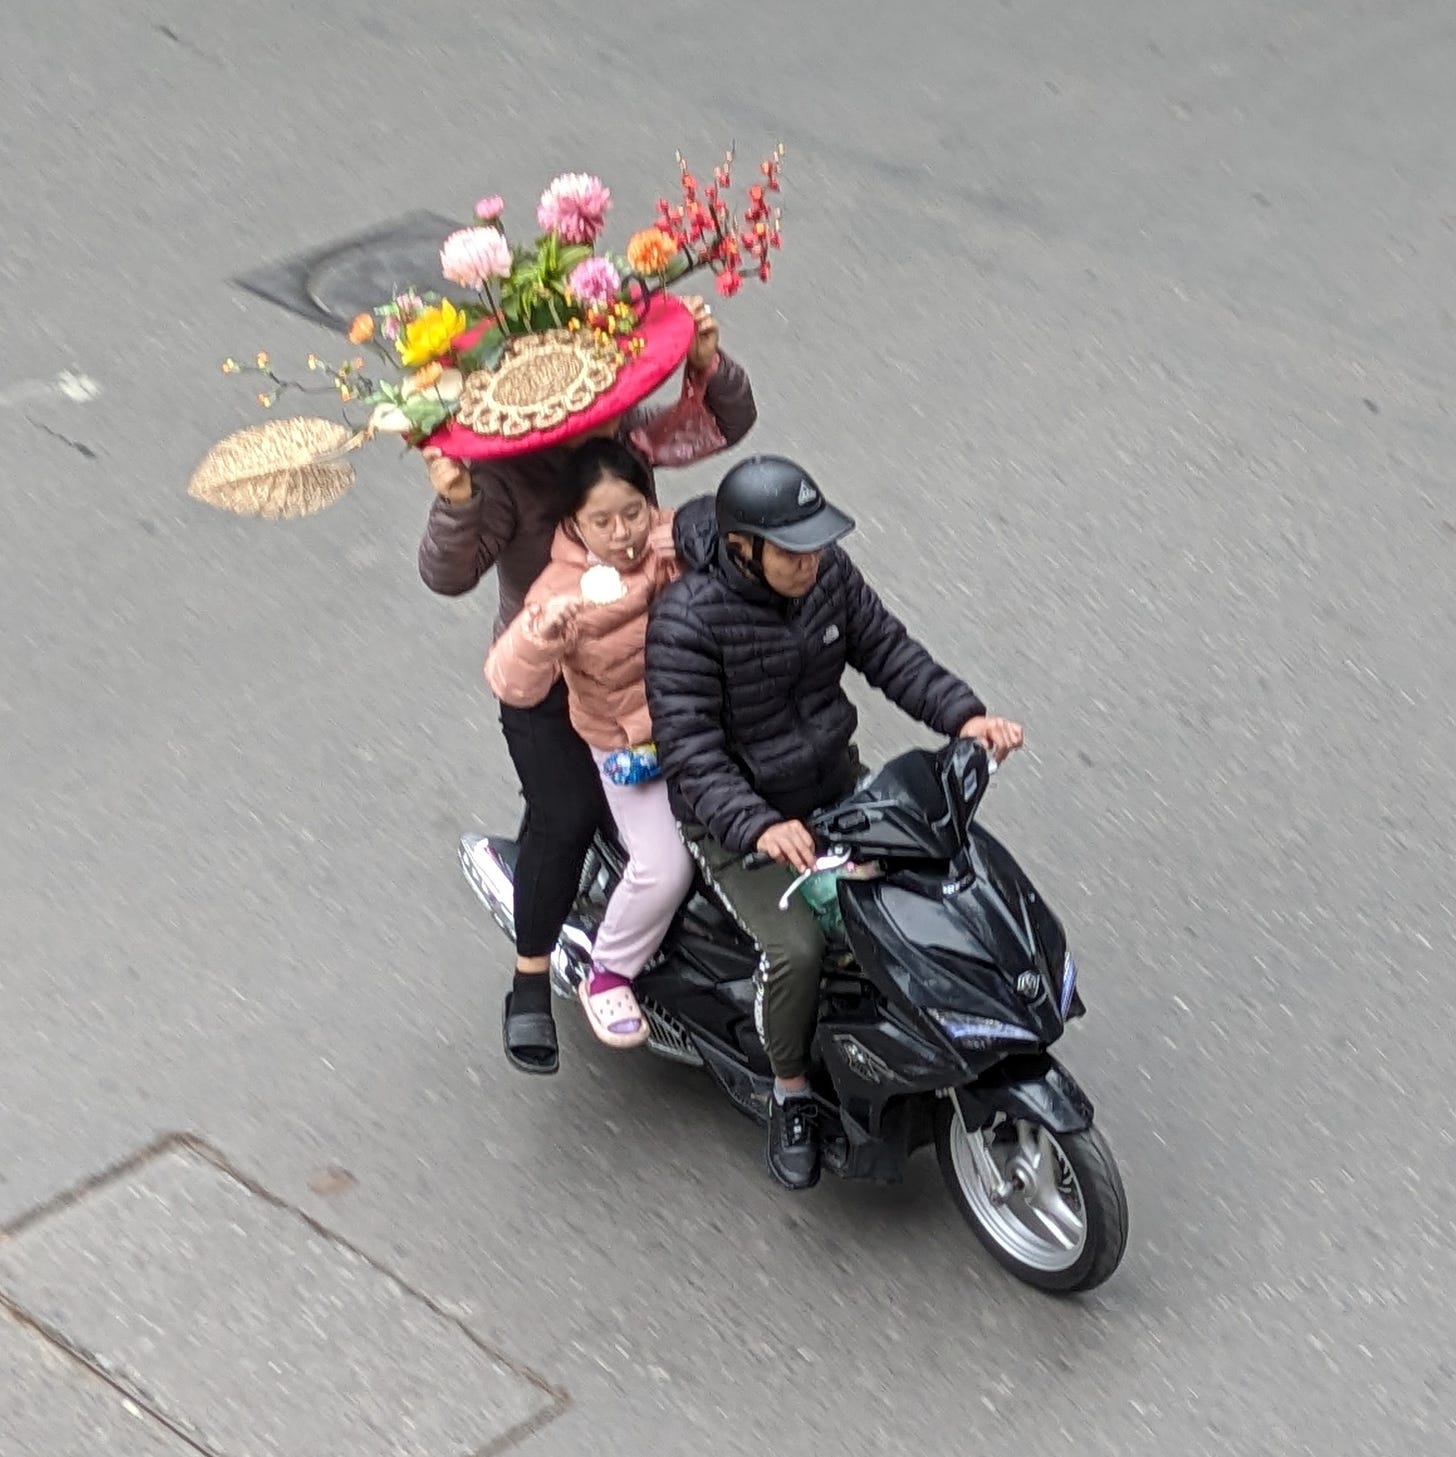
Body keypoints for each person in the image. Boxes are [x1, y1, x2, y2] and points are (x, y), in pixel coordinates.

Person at [645, 456, 1024, 1189]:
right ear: (744, 548)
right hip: (740, 827)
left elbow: (888, 650)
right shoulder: (685, 622)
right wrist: (757, 826)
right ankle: (790, 1092)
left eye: (817, 543)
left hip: (834, 787)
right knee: (799, 949)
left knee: (936, 878)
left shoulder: (827, 577)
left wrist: (966, 716)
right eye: (793, 550)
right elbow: (692, 753)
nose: (811, 562)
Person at [420, 299, 757, 1074]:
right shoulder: (501, 478)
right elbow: (446, 574)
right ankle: (534, 978)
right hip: (547, 667)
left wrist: (706, 360)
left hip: (652, 658)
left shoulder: (622, 435)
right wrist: (457, 499)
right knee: (565, 812)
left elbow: (716, 425)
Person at [482, 439, 693, 1048]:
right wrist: (541, 638)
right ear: (573, 522)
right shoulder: (556, 595)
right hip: (630, 747)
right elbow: (508, 680)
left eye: (633, 512)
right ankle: (607, 972)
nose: (623, 532)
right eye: (602, 521)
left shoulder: (672, 541)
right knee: (664, 866)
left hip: (699, 722)